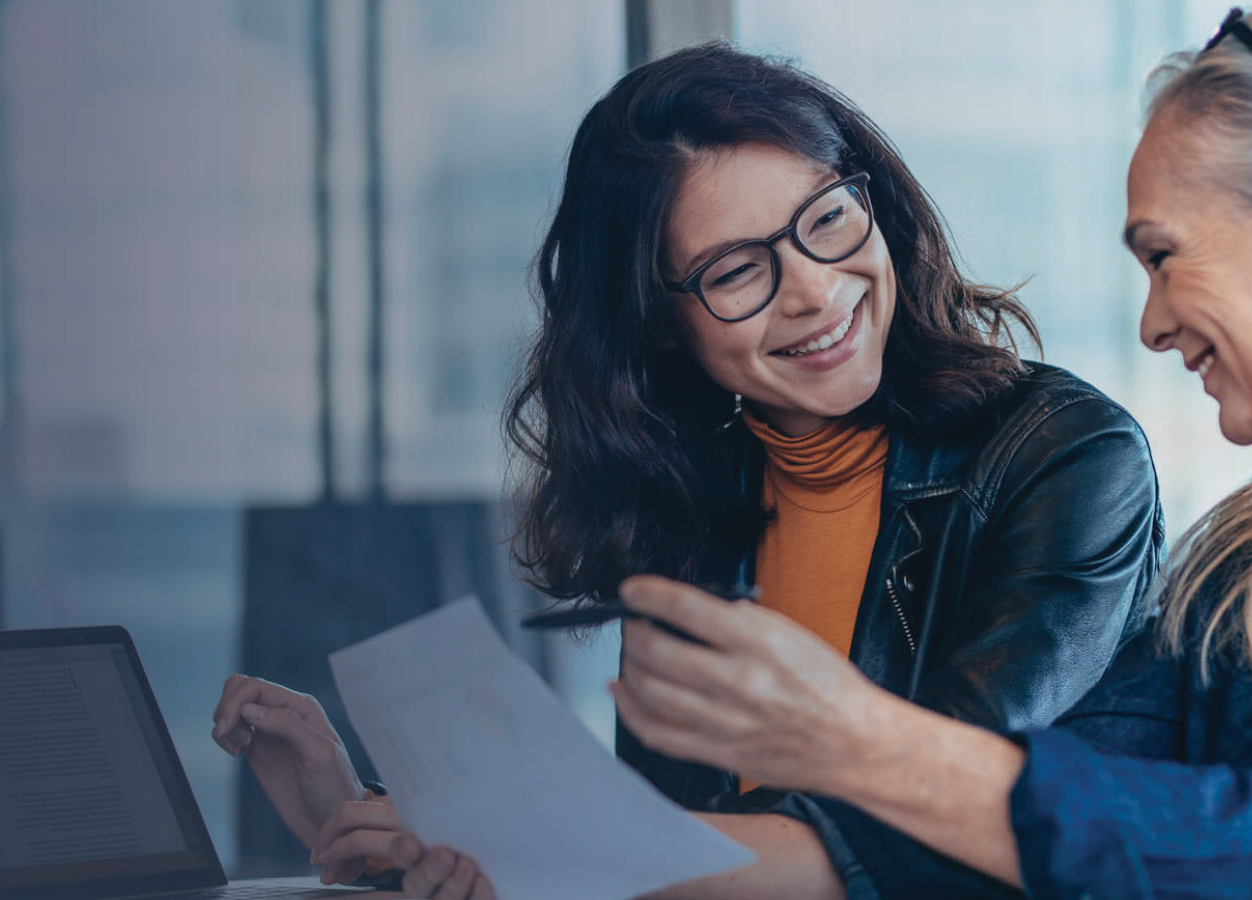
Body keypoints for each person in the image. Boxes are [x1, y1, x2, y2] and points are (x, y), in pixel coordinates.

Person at [380, 1, 1252, 896]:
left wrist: (851, 735)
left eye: (1165, 258)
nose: (1155, 319)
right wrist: (518, 859)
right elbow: (1032, 829)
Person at [209, 42, 1167, 897]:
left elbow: (948, 815)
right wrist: (381, 827)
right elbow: (657, 851)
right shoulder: (687, 502)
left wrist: (551, 847)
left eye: (827, 218)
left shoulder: (1066, 455)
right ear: (660, 326)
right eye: (736, 271)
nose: (815, 290)